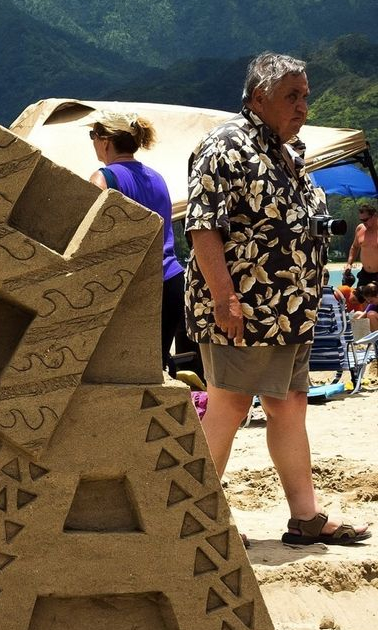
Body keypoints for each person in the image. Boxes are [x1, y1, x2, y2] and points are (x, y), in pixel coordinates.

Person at [185, 52, 369, 546]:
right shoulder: (226, 145)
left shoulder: (290, 153)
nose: (303, 105)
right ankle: (192, 519)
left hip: (290, 310)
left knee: (289, 404)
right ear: (258, 97)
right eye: (292, 95)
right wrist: (225, 300)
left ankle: (305, 517)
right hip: (245, 308)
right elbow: (203, 226)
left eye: (305, 95)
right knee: (228, 403)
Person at [87, 111, 184, 374]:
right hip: (171, 281)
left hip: (134, 288)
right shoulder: (157, 177)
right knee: (157, 368)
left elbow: (88, 238)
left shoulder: (103, 179)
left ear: (105, 140)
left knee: (126, 376)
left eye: (92, 136)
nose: (93, 142)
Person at [346, 203, 377, 287]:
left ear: (374, 216)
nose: (363, 223)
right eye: (361, 220)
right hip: (365, 274)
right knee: (359, 298)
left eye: (365, 220)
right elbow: (354, 247)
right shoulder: (360, 228)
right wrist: (349, 264)